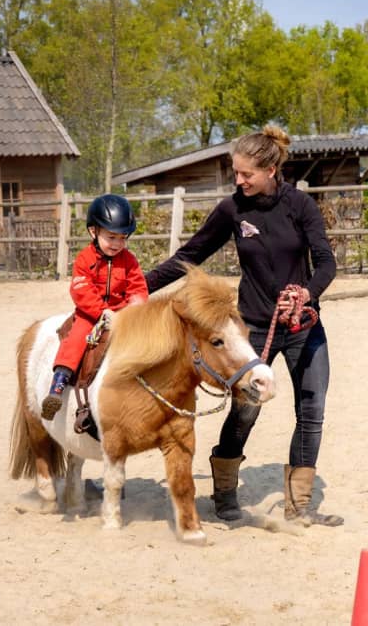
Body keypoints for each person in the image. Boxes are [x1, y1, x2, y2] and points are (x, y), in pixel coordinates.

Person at [144, 125, 343, 527]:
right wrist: (136, 287)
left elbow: (326, 262)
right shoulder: (233, 210)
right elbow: (190, 254)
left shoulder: (301, 206)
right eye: (235, 173)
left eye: (245, 174)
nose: (238, 181)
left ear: (271, 169)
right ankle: (224, 494)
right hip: (252, 328)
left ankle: (299, 506)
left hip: (303, 324)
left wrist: (306, 293)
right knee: (246, 409)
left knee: (312, 411)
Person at [40, 194, 149, 423]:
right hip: (91, 314)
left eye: (122, 238)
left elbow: (137, 287)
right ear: (93, 232)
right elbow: (81, 290)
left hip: (121, 313)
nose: (117, 244)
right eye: (111, 237)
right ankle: (58, 386)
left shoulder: (129, 260)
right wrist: (101, 312)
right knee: (77, 337)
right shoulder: (84, 258)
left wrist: (135, 309)